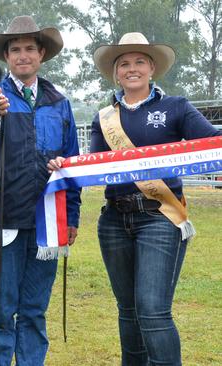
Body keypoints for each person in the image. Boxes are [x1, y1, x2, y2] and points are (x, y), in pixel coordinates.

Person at [49, 32, 222, 365]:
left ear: (152, 68)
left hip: (160, 218)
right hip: (113, 221)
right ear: (115, 73)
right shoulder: (104, 118)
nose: (132, 69)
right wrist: (65, 167)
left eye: (139, 62)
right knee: (127, 311)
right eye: (124, 63)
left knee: (153, 311)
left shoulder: (177, 107)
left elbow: (213, 142)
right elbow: (96, 166)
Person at [0, 15, 81, 366]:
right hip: (4, 219)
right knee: (2, 311)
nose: (22, 55)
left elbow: (72, 163)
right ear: (6, 57)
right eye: (14, 49)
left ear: (42, 53)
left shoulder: (59, 102)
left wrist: (72, 217)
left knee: (34, 310)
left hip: (48, 221)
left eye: (29, 48)